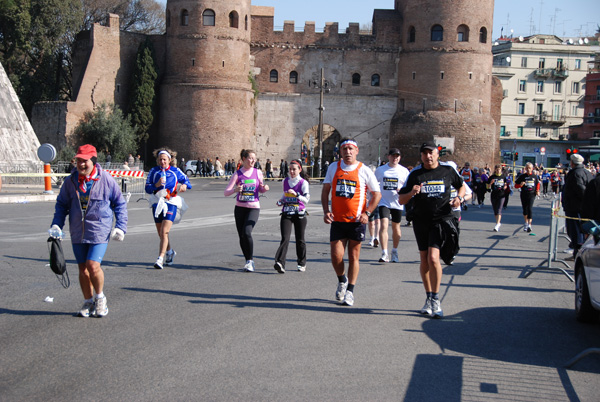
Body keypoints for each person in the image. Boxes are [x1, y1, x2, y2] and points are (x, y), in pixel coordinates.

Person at [50, 144, 128, 317]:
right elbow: (62, 205)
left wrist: (121, 227)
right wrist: (57, 224)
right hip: (78, 231)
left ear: (93, 161)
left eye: (84, 161)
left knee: (93, 266)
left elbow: (119, 204)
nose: (81, 165)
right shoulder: (71, 182)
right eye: (78, 161)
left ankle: (100, 299)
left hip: (99, 230)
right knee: (82, 269)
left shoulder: (106, 179)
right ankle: (88, 302)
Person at [398, 141, 464, 319]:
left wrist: (459, 198)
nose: (428, 156)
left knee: (433, 257)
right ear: (421, 156)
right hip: (421, 221)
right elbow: (401, 200)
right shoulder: (416, 174)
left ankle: (436, 298)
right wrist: (412, 193)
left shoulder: (447, 171)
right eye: (425, 153)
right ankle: (428, 297)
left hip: (440, 220)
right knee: (424, 259)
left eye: (431, 153)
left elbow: (461, 185)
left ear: (437, 154)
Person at [321, 138, 381, 306]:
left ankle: (350, 292)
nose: (347, 152)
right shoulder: (333, 167)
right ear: (340, 151)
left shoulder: (364, 170)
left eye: (351, 149)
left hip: (356, 221)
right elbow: (326, 191)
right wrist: (326, 211)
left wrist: (367, 213)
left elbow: (377, 194)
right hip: (338, 220)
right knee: (335, 256)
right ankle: (342, 280)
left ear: (357, 151)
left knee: (354, 256)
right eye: (344, 149)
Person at [145, 147, 191, 269]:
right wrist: (156, 185)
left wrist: (184, 186)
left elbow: (187, 181)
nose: (162, 162)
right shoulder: (154, 171)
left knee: (165, 231)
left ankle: (160, 258)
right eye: (160, 160)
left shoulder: (176, 171)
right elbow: (147, 188)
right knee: (161, 233)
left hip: (171, 202)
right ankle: (170, 252)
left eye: (164, 159)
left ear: (169, 160)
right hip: (157, 202)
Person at [224, 149, 270, 271]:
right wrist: (235, 190)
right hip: (240, 208)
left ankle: (250, 261)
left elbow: (260, 188)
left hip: (253, 208)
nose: (253, 160)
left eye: (254, 158)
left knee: (247, 231)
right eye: (250, 158)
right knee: (242, 236)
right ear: (243, 159)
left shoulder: (258, 172)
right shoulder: (237, 174)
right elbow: (226, 192)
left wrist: (264, 188)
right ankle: (247, 260)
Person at [274, 159, 310, 273]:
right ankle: (280, 263)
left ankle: (301, 262)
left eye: (294, 169)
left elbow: (306, 200)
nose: (292, 171)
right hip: (287, 212)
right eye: (290, 169)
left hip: (299, 213)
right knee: (285, 238)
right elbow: (284, 195)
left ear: (299, 170)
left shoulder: (303, 183)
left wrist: (297, 195)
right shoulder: (285, 181)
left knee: (300, 239)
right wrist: (281, 201)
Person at [374, 148, 410, 263]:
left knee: (396, 228)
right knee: (384, 225)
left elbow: (408, 186)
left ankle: (394, 251)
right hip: (384, 202)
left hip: (397, 203)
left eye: (397, 156)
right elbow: (374, 184)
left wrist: (402, 190)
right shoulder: (381, 170)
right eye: (393, 156)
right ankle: (384, 253)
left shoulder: (404, 171)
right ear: (388, 157)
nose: (395, 158)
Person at [562, 154, 594, 258]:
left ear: (572, 163)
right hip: (582, 208)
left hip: (575, 208)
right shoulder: (587, 172)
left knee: (576, 233)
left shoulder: (576, 174)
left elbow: (581, 190)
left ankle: (578, 255)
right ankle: (578, 254)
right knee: (581, 233)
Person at [514, 162, 540, 233]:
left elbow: (537, 184)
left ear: (532, 168)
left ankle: (529, 225)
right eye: (527, 168)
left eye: (530, 168)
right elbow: (515, 185)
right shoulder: (522, 176)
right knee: (525, 209)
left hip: (532, 194)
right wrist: (520, 185)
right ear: (525, 168)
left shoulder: (534, 176)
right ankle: (526, 222)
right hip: (524, 194)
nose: (528, 169)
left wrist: (537, 190)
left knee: (530, 208)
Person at [487, 164, 509, 231]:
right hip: (494, 194)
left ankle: (497, 224)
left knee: (499, 209)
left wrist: (505, 186)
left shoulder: (503, 177)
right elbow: (487, 187)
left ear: (501, 170)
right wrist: (491, 183)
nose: (498, 170)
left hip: (501, 195)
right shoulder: (492, 177)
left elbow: (506, 184)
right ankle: (497, 223)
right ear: (495, 170)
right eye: (496, 169)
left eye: (499, 169)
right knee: (495, 210)